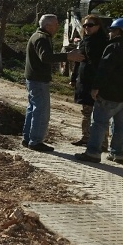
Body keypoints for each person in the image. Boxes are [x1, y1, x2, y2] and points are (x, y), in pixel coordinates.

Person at [75, 18, 123, 164]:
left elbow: (104, 70)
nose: (110, 33)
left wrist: (95, 87)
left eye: (112, 30)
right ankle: (118, 154)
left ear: (118, 31)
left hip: (109, 94)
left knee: (99, 123)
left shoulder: (113, 47)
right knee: (121, 126)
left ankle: (93, 153)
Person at [23, 14, 85, 152]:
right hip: (38, 80)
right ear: (48, 26)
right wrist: (68, 56)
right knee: (41, 112)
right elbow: (45, 57)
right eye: (56, 24)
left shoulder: (38, 36)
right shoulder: (42, 38)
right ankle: (35, 141)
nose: (58, 27)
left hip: (33, 79)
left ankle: (28, 138)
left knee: (32, 109)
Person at [69, 15, 109, 148]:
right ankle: (86, 137)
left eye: (90, 25)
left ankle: (102, 143)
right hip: (84, 81)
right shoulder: (84, 41)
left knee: (100, 115)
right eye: (85, 25)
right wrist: (73, 78)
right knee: (86, 112)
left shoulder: (103, 43)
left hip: (97, 82)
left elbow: (102, 66)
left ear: (98, 26)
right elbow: (78, 60)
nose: (87, 28)